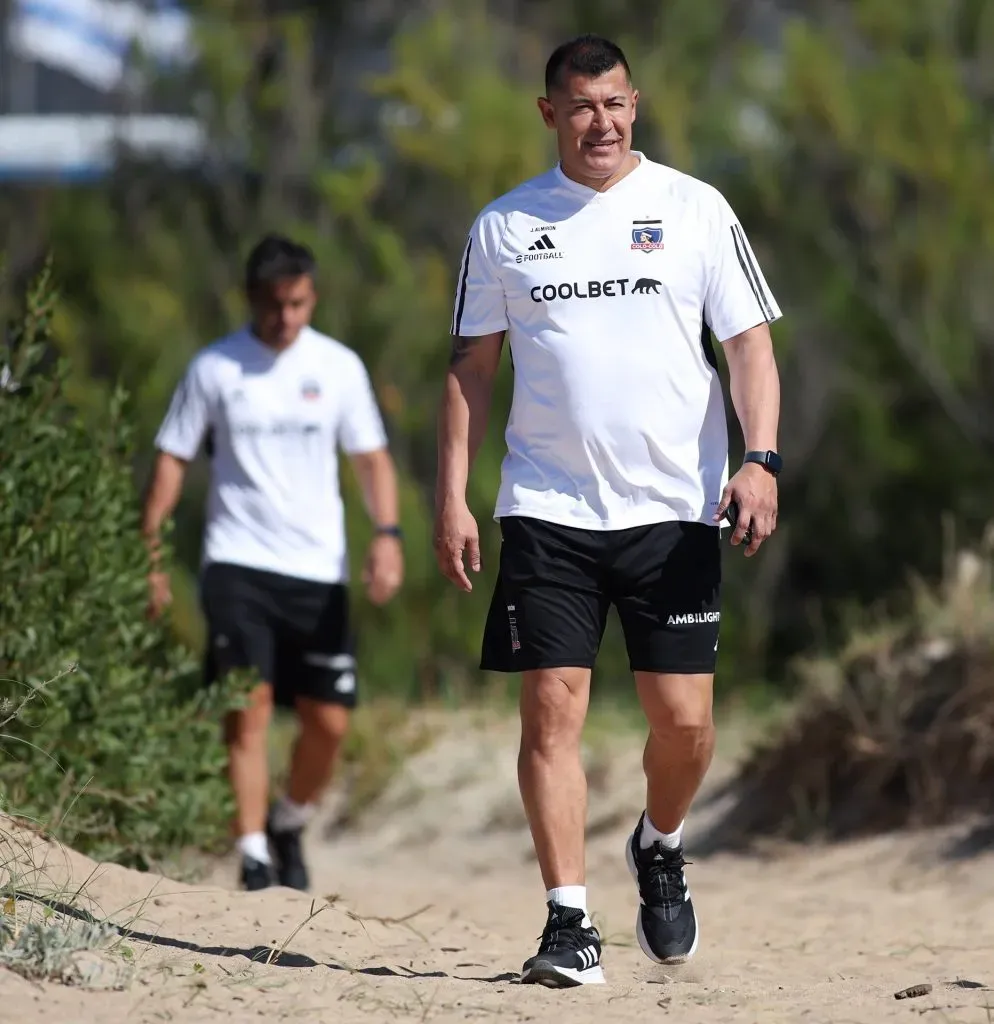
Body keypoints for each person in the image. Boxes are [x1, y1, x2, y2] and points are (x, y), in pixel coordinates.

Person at [433, 35, 782, 987]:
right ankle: (568, 923)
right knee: (552, 707)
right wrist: (453, 496)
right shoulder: (504, 227)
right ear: (550, 113)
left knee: (685, 725)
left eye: (617, 103)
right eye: (583, 106)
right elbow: (470, 368)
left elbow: (748, 345)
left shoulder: (695, 208)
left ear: (638, 104)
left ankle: (660, 842)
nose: (603, 122)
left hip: (675, 505)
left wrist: (760, 461)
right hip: (547, 505)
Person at [142, 233, 404, 892]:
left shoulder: (338, 367)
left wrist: (387, 534)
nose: (285, 318)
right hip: (237, 562)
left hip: (318, 569)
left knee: (329, 720)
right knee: (248, 708)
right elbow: (173, 457)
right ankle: (254, 853)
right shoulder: (215, 368)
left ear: (312, 297)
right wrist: (148, 549)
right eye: (274, 305)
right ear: (250, 299)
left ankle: (290, 819)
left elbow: (370, 458)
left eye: (298, 304)